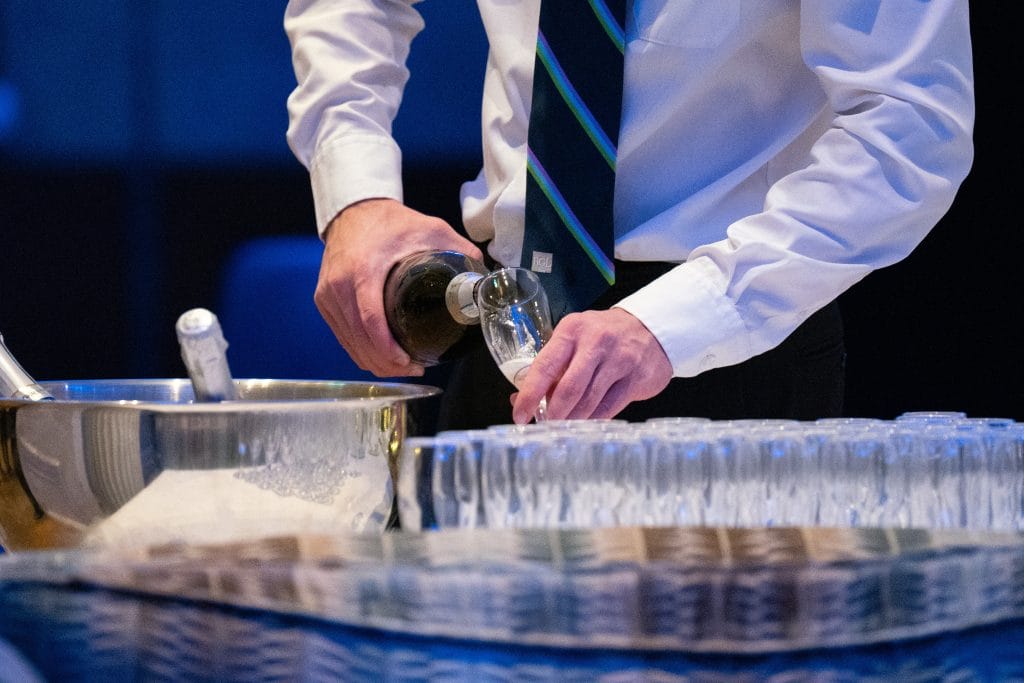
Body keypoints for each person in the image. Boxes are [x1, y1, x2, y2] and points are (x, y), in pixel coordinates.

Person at [283, 2, 974, 429]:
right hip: (502, 326)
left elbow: (910, 127)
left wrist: (673, 321)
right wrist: (357, 194)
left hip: (728, 352)